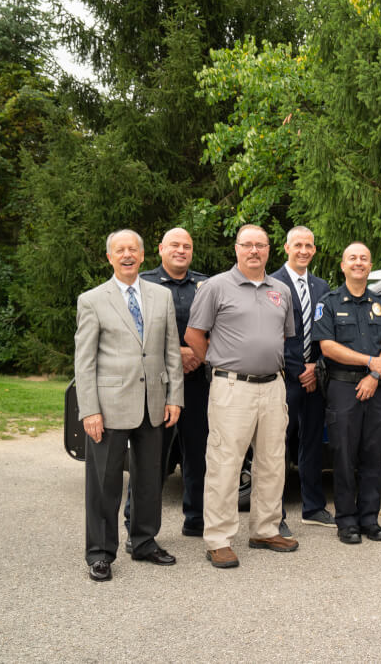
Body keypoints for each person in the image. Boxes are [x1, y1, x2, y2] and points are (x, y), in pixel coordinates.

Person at [186, 225, 298, 569]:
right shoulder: (216, 287)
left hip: (273, 386)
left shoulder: (281, 290)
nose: (254, 251)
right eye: (247, 245)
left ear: (269, 250)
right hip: (232, 387)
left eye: (260, 245)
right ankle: (218, 539)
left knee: (272, 461)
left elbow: (283, 335)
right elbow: (193, 334)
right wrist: (219, 361)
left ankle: (264, 529)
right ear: (236, 249)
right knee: (225, 463)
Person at [74, 229, 184, 581]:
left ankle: (144, 542)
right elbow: (84, 361)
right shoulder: (92, 300)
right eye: (119, 250)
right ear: (110, 257)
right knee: (104, 483)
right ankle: (100, 553)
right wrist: (89, 409)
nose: (127, 255)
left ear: (142, 255)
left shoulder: (160, 296)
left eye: (132, 250)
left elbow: (171, 352)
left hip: (153, 403)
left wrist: (175, 398)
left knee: (150, 479)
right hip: (108, 408)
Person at [125, 228, 210, 543]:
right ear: (160, 249)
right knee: (151, 456)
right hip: (156, 384)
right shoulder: (142, 283)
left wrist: (197, 356)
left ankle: (196, 520)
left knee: (198, 454)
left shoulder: (206, 284)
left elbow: (220, 326)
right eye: (175, 245)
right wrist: (179, 353)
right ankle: (137, 521)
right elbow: (134, 330)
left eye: (187, 246)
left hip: (197, 381)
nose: (181, 250)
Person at [313, 242, 381, 544]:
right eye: (352, 258)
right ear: (343, 265)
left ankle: (370, 519)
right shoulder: (330, 302)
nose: (358, 262)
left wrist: (374, 374)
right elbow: (327, 347)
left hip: (375, 388)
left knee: (373, 456)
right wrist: (369, 363)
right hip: (344, 388)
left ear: (370, 265)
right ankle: (346, 521)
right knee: (345, 456)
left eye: (364, 258)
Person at [271, 226, 332, 529]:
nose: (304, 250)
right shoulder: (271, 284)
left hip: (316, 378)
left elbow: (330, 333)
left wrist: (316, 366)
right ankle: (275, 515)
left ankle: (314, 508)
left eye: (309, 245)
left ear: (314, 250)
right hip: (284, 378)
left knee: (312, 444)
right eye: (298, 245)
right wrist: (299, 370)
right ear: (286, 248)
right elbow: (270, 334)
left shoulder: (322, 287)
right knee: (277, 447)